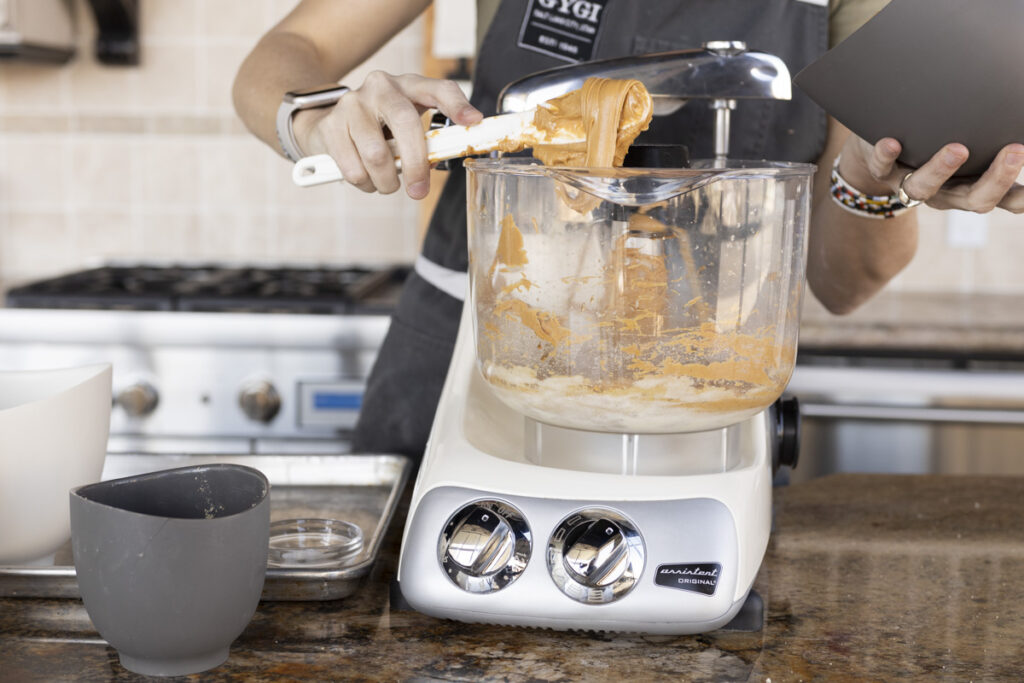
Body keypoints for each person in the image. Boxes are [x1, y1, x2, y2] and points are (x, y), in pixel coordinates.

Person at [234, 0, 1024, 459]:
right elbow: (280, 58)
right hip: (466, 362)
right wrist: (319, 117)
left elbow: (844, 283)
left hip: (703, 392)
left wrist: (874, 182)